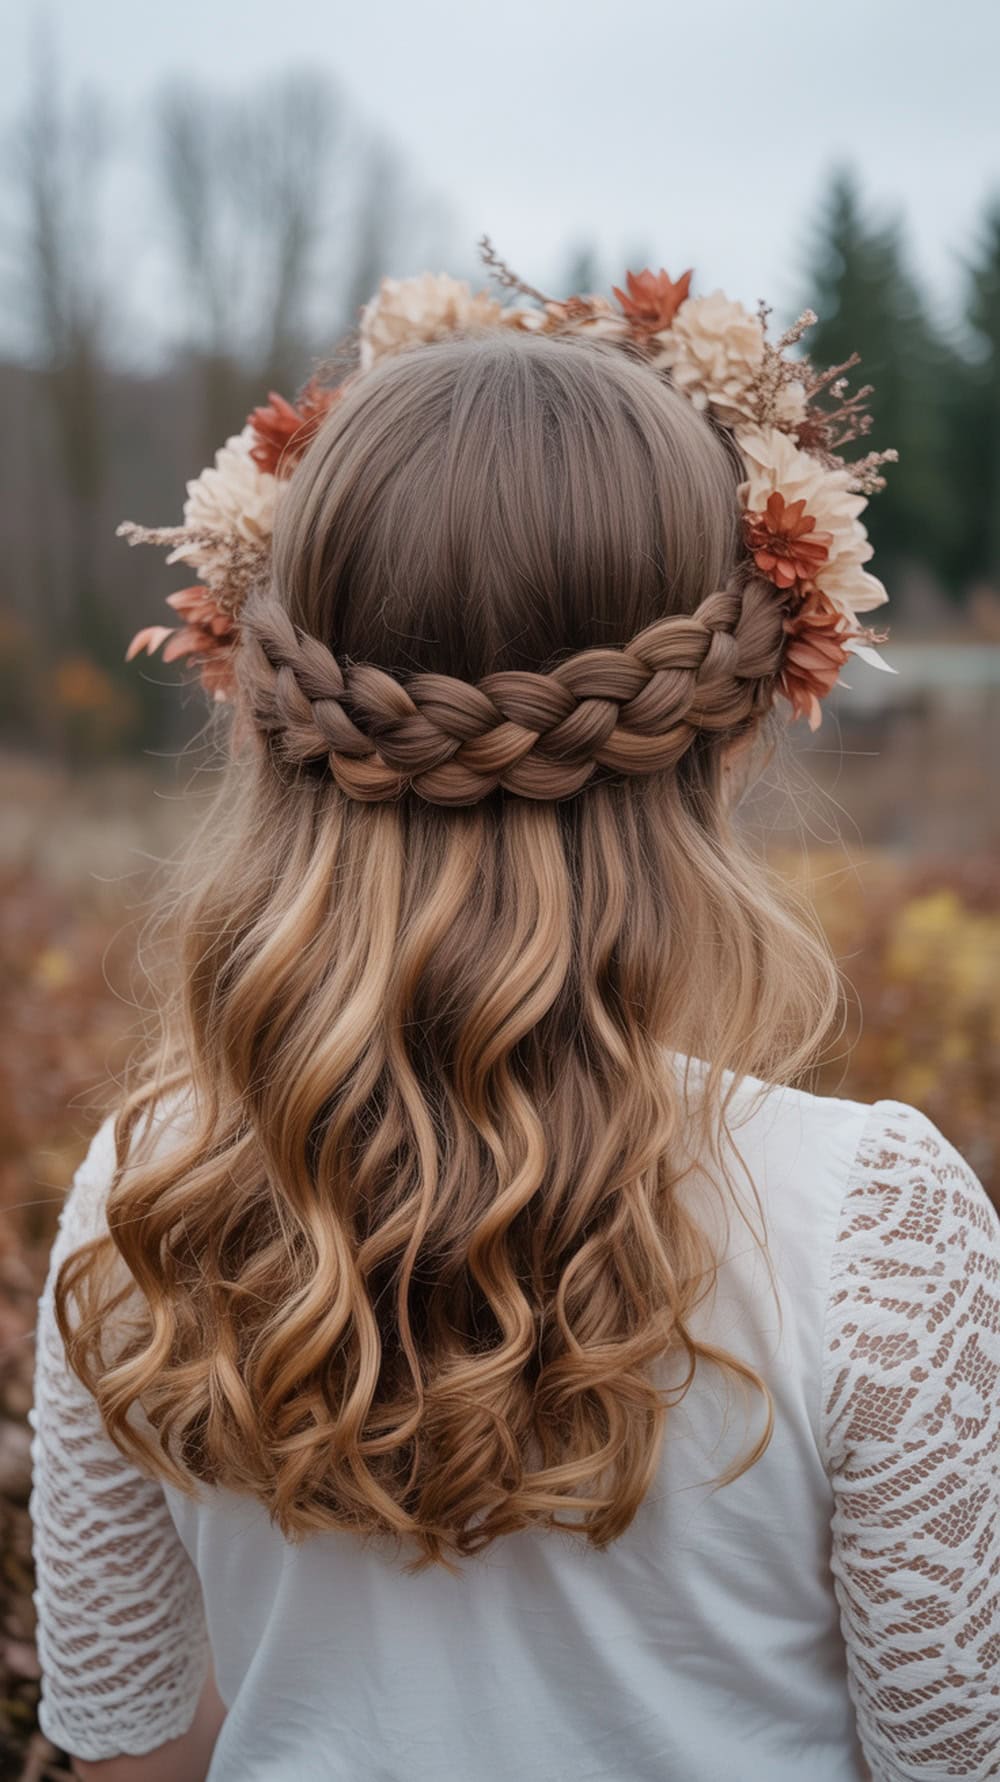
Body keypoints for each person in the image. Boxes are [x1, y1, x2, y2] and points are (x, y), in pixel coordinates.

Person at [29, 264, 1000, 1782]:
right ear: (737, 729)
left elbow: (128, 1750)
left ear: (269, 712)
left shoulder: (140, 1199)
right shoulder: (873, 1232)